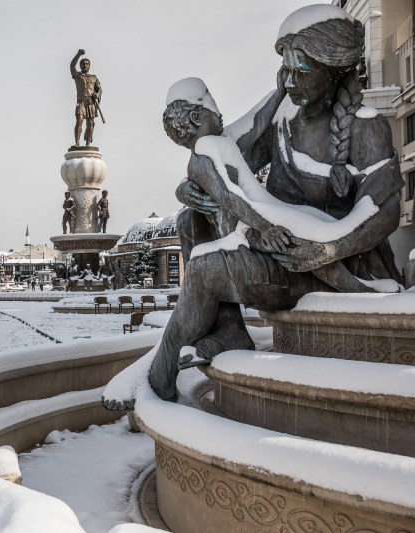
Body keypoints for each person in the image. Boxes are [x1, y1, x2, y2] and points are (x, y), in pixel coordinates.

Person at [111, 5, 402, 404]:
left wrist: (329, 248)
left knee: (204, 268)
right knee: (189, 219)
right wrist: (188, 187)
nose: (291, 82)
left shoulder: (365, 125)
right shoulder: (283, 115)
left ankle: (157, 377)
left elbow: (384, 212)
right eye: (286, 71)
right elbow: (222, 156)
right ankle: (229, 330)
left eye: (302, 72)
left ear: (332, 70)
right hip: (278, 248)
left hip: (318, 261)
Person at [162, 77, 375, 296]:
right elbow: (229, 196)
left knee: (319, 222)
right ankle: (355, 290)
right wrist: (265, 228)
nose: (219, 114)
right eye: (213, 109)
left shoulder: (218, 143)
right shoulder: (203, 156)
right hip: (247, 226)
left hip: (263, 212)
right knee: (297, 242)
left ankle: (361, 280)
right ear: (197, 117)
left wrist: (280, 92)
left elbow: (255, 123)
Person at [71, 49, 103, 146]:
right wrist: (78, 54)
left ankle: (88, 144)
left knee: (90, 124)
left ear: (89, 65)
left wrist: (97, 94)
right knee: (79, 120)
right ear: (80, 65)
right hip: (81, 102)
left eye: (86, 64)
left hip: (90, 103)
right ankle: (77, 143)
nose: (85, 65)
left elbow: (100, 89)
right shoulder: (77, 76)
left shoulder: (94, 77)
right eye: (83, 64)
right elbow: (72, 66)